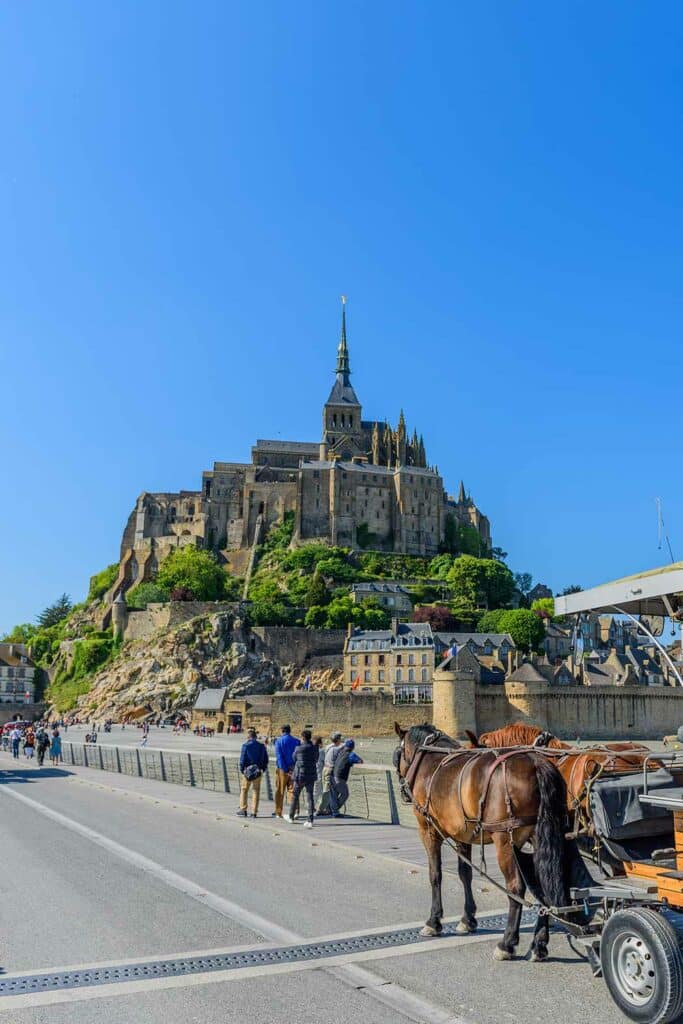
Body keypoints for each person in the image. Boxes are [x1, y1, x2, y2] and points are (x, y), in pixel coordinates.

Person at [284, 730, 318, 828]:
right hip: (311, 775)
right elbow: (316, 759)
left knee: (295, 795)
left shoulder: (299, 748)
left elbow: (294, 758)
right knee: (310, 797)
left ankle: (291, 816)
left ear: (303, 737)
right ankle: (310, 820)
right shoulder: (315, 748)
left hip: (300, 775)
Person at [237, 728, 269, 818]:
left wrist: (242, 769)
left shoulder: (246, 746)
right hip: (258, 770)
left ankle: (243, 809)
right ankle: (254, 812)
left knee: (244, 790)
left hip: (247, 770)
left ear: (249, 737)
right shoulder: (261, 746)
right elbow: (266, 759)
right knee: (256, 791)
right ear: (255, 737)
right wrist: (263, 768)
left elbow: (242, 759)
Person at [330, 739, 364, 817]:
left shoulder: (340, 752)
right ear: (353, 747)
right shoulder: (350, 754)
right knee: (345, 794)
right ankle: (335, 809)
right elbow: (360, 761)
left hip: (332, 776)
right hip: (340, 778)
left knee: (334, 795)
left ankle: (334, 811)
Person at [273, 725, 299, 818]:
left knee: (280, 790)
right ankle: (295, 811)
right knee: (293, 790)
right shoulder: (296, 741)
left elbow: (279, 757)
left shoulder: (278, 741)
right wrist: (293, 768)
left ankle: (278, 812)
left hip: (282, 769)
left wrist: (285, 769)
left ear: (282, 730)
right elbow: (298, 756)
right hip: (294, 768)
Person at [317, 732, 344, 815]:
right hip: (330, 770)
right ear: (338, 739)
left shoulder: (328, 747)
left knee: (328, 790)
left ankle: (328, 809)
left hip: (326, 770)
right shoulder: (336, 748)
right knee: (327, 791)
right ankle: (320, 809)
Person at [313, 736, 325, 805]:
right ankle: (317, 806)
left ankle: (312, 805)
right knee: (319, 791)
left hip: (311, 773)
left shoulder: (310, 750)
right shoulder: (321, 751)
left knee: (314, 791)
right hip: (319, 773)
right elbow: (325, 761)